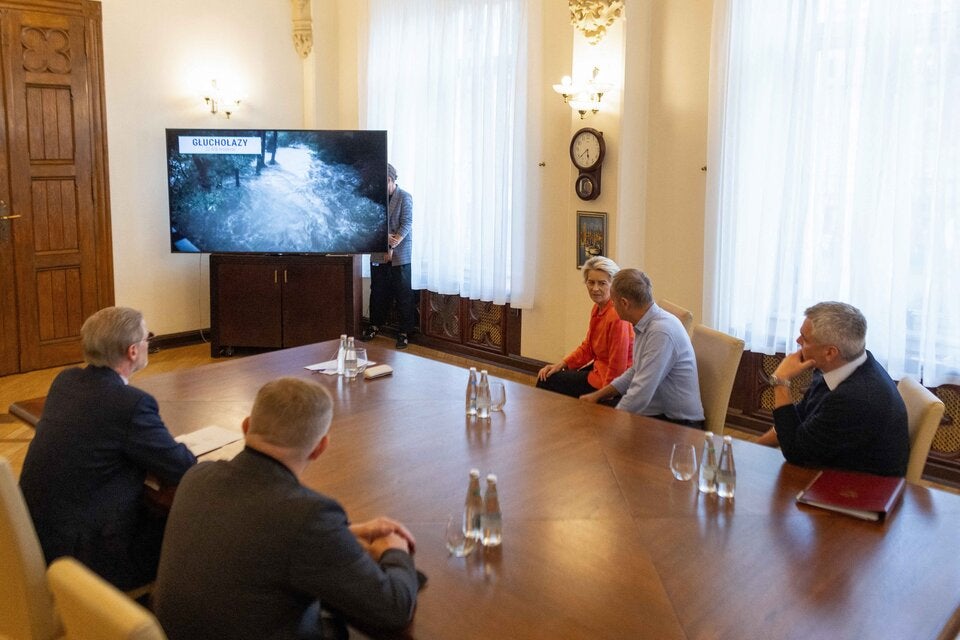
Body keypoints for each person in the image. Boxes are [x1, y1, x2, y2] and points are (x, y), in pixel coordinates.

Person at [154, 377, 419, 639]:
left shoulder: (197, 476)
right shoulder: (307, 516)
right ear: (320, 447)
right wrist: (395, 550)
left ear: (246, 427)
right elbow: (393, 611)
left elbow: (257, 532)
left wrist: (344, 533)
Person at [19, 306, 196, 590]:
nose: (148, 343)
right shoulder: (131, 404)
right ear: (133, 351)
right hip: (85, 560)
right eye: (146, 337)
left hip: (41, 538)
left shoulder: (65, 382)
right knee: (190, 526)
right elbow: (184, 467)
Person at [756, 302, 909, 476]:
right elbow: (798, 421)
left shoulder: (854, 399)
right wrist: (755, 447)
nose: (798, 342)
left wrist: (781, 382)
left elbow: (795, 453)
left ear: (830, 353)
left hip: (860, 489)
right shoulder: (841, 367)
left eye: (804, 339)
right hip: (832, 465)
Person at [581, 269, 705, 428]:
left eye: (613, 301)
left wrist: (612, 424)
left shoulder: (660, 332)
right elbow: (635, 371)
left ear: (624, 303)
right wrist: (597, 395)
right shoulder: (646, 322)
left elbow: (641, 392)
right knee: (592, 418)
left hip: (679, 425)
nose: (612, 305)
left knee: (597, 428)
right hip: (659, 415)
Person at [536, 256, 634, 399]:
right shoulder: (598, 308)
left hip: (611, 381)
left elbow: (618, 365)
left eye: (602, 283)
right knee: (551, 375)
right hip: (600, 369)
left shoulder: (616, 316)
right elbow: (588, 347)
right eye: (591, 282)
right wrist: (561, 364)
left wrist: (603, 396)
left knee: (547, 381)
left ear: (614, 285)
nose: (595, 288)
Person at [362, 163, 415, 349]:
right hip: (378, 251)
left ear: (389, 180)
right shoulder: (376, 198)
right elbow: (369, 223)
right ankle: (374, 325)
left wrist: (392, 245)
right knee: (377, 292)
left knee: (403, 294)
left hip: (401, 254)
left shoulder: (404, 197)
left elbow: (407, 224)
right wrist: (384, 240)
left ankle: (404, 332)